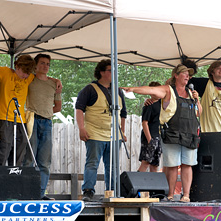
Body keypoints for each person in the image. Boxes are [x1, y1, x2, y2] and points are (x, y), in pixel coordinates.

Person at [121, 64, 202, 203]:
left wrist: (197, 100)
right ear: (176, 75)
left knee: (187, 165)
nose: (187, 75)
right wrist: (132, 89)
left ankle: (186, 195)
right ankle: (170, 195)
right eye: (184, 73)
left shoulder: (191, 93)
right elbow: (151, 89)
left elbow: (198, 113)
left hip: (189, 134)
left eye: (189, 73)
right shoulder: (168, 90)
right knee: (171, 165)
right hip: (172, 134)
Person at [75, 59, 127, 201]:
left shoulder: (118, 91)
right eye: (111, 70)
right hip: (95, 133)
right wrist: (81, 128)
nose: (114, 73)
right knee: (92, 163)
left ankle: (112, 191)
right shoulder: (89, 89)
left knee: (113, 166)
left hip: (114, 135)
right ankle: (88, 191)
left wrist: (122, 131)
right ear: (102, 72)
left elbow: (123, 113)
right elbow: (79, 109)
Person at [23, 54, 62, 200]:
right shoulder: (29, 79)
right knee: (28, 159)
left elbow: (58, 107)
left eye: (48, 64)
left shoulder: (54, 84)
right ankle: (26, 192)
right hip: (32, 120)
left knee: (44, 161)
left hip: (47, 122)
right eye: (42, 63)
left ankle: (40, 193)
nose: (45, 66)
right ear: (35, 64)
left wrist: (45, 112)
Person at [138, 81, 162, 172]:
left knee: (155, 164)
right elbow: (145, 123)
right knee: (146, 162)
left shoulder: (162, 104)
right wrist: (149, 139)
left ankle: (154, 185)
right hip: (150, 136)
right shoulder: (149, 105)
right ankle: (137, 184)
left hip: (158, 137)